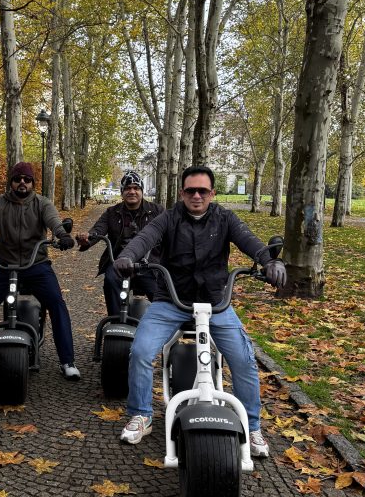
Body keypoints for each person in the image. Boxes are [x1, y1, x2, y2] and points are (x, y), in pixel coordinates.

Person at [112, 164, 286, 454]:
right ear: (182, 193)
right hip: (171, 301)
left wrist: (270, 261)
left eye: (202, 191)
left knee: (244, 358)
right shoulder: (168, 218)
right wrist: (127, 256)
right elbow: (145, 238)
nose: (196, 196)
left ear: (212, 193)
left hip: (216, 302)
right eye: (191, 190)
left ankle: (252, 426)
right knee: (140, 350)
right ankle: (141, 414)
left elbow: (249, 240)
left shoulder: (225, 218)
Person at [0, 161, 80, 380]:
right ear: (11, 182)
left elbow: (54, 221)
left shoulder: (42, 203)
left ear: (32, 183)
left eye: (27, 180)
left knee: (57, 304)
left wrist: (62, 235)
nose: (22, 183)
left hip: (36, 266)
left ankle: (67, 360)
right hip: (4, 266)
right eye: (17, 179)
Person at [76, 170, 163, 315]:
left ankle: (164, 325)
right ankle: (116, 321)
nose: (132, 192)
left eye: (136, 188)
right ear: (122, 192)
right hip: (119, 264)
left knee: (161, 297)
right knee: (110, 280)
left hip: (149, 265)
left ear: (141, 191)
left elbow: (170, 232)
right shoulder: (112, 212)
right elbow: (97, 230)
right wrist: (87, 238)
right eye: (127, 188)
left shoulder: (157, 211)